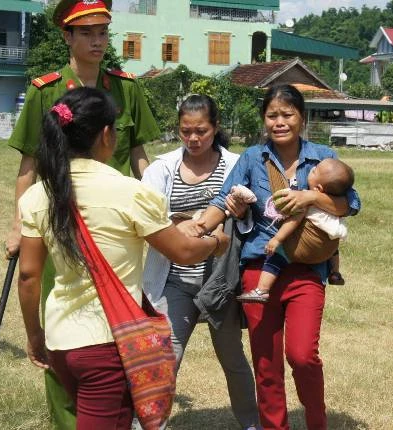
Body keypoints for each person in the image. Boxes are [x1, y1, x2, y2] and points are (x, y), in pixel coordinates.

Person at [17, 88, 229, 430]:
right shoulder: (131, 192)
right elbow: (183, 251)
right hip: (107, 345)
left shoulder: (38, 195)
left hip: (60, 342)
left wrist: (34, 335)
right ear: (105, 134)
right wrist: (216, 243)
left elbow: (28, 276)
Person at [5, 1, 159, 427]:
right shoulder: (45, 91)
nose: (96, 40)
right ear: (67, 36)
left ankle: (112, 410)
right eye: (86, 32)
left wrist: (154, 211)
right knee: (63, 320)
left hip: (115, 225)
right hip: (61, 223)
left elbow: (141, 158)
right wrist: (18, 227)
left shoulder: (126, 88)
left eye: (103, 32)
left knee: (119, 323)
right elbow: (29, 168)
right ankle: (67, 419)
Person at [192, 84, 360, 430]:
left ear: (301, 117)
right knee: (266, 364)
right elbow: (223, 201)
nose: (279, 122)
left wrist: (309, 199)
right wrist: (198, 228)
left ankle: (317, 422)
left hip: (308, 271)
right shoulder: (252, 158)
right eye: (272, 115)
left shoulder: (323, 156)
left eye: (287, 114)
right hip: (259, 269)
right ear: (263, 119)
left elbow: (350, 204)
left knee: (302, 356)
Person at [140, 94, 259, 429]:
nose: (193, 139)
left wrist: (241, 213)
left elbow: (254, 218)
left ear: (216, 128)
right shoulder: (162, 168)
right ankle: (146, 424)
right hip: (173, 280)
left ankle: (252, 423)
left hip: (221, 283)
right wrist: (184, 224)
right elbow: (146, 218)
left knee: (233, 359)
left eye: (201, 131)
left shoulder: (237, 164)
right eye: (185, 131)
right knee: (164, 359)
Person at [236, 158, 352, 303]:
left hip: (304, 250)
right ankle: (335, 272)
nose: (312, 168)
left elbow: (293, 221)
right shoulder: (334, 204)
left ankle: (262, 290)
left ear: (319, 188)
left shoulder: (306, 200)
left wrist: (277, 239)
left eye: (314, 171)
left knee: (276, 258)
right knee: (332, 244)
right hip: (326, 253)